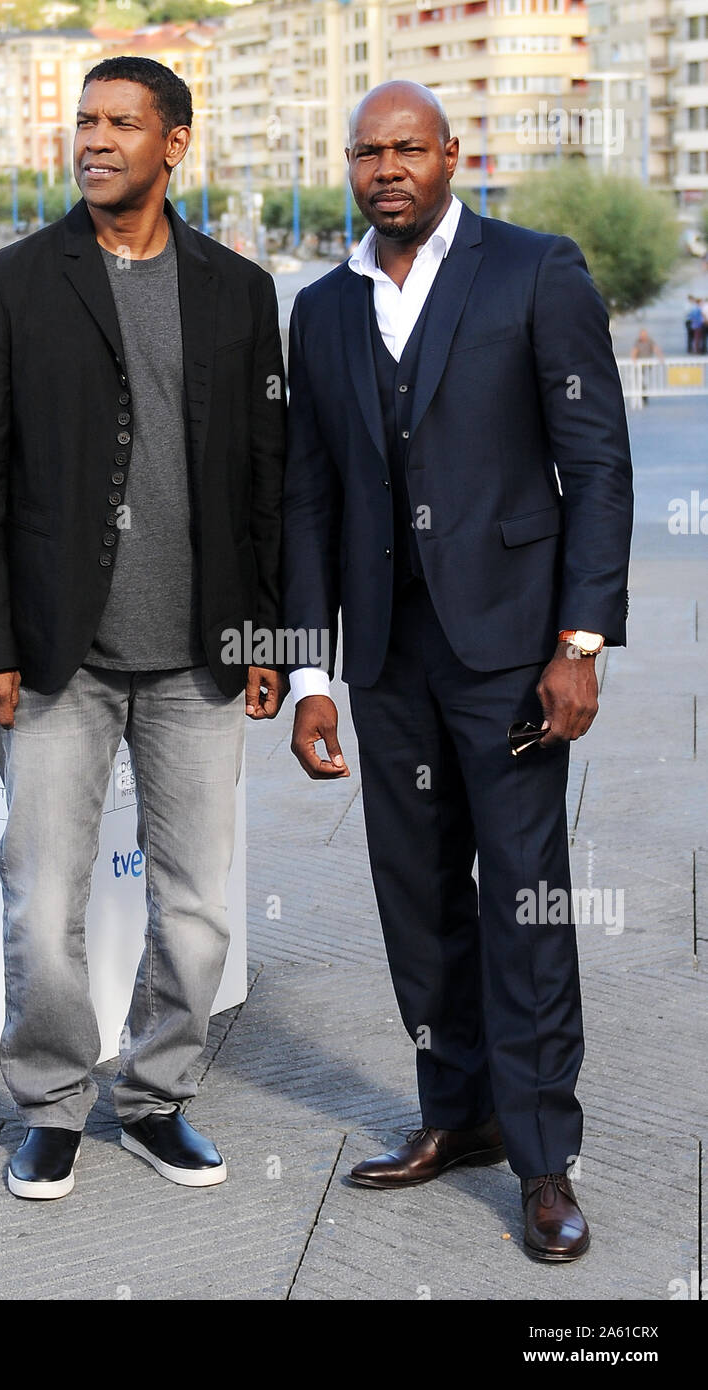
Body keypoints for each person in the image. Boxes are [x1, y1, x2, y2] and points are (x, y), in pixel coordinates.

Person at [282, 81, 633, 1263]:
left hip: (511, 651)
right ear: (349, 165)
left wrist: (577, 644)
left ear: (449, 156)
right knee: (415, 898)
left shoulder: (533, 270)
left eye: (407, 149)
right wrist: (311, 671)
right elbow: (308, 499)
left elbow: (595, 465)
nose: (385, 168)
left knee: (522, 902)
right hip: (384, 656)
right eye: (366, 151)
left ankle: (542, 1160)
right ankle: (456, 1113)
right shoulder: (322, 310)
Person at [0, 56, 286, 1200]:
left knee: (196, 907)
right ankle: (49, 1102)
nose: (94, 140)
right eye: (83, 122)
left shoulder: (237, 291)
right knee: (42, 900)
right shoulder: (8, 285)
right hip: (52, 656)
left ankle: (153, 1097)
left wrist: (267, 640)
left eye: (120, 123)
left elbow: (264, 476)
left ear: (173, 142)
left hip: (198, 657)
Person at [630, 327, 663, 406]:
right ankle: (643, 395)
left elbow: (656, 349)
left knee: (645, 380)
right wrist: (633, 361)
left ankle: (644, 395)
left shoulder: (650, 341)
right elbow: (634, 351)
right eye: (642, 335)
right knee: (640, 380)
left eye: (644, 334)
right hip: (639, 365)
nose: (643, 336)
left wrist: (661, 358)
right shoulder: (637, 342)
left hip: (648, 365)